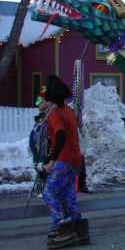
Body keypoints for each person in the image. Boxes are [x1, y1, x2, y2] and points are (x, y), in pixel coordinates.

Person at [40, 75, 90, 248]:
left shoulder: (54, 113)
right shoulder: (68, 111)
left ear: (50, 98)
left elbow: (60, 135)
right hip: (75, 159)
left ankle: (61, 227)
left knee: (49, 193)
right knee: (68, 195)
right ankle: (80, 231)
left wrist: (51, 160)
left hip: (63, 159)